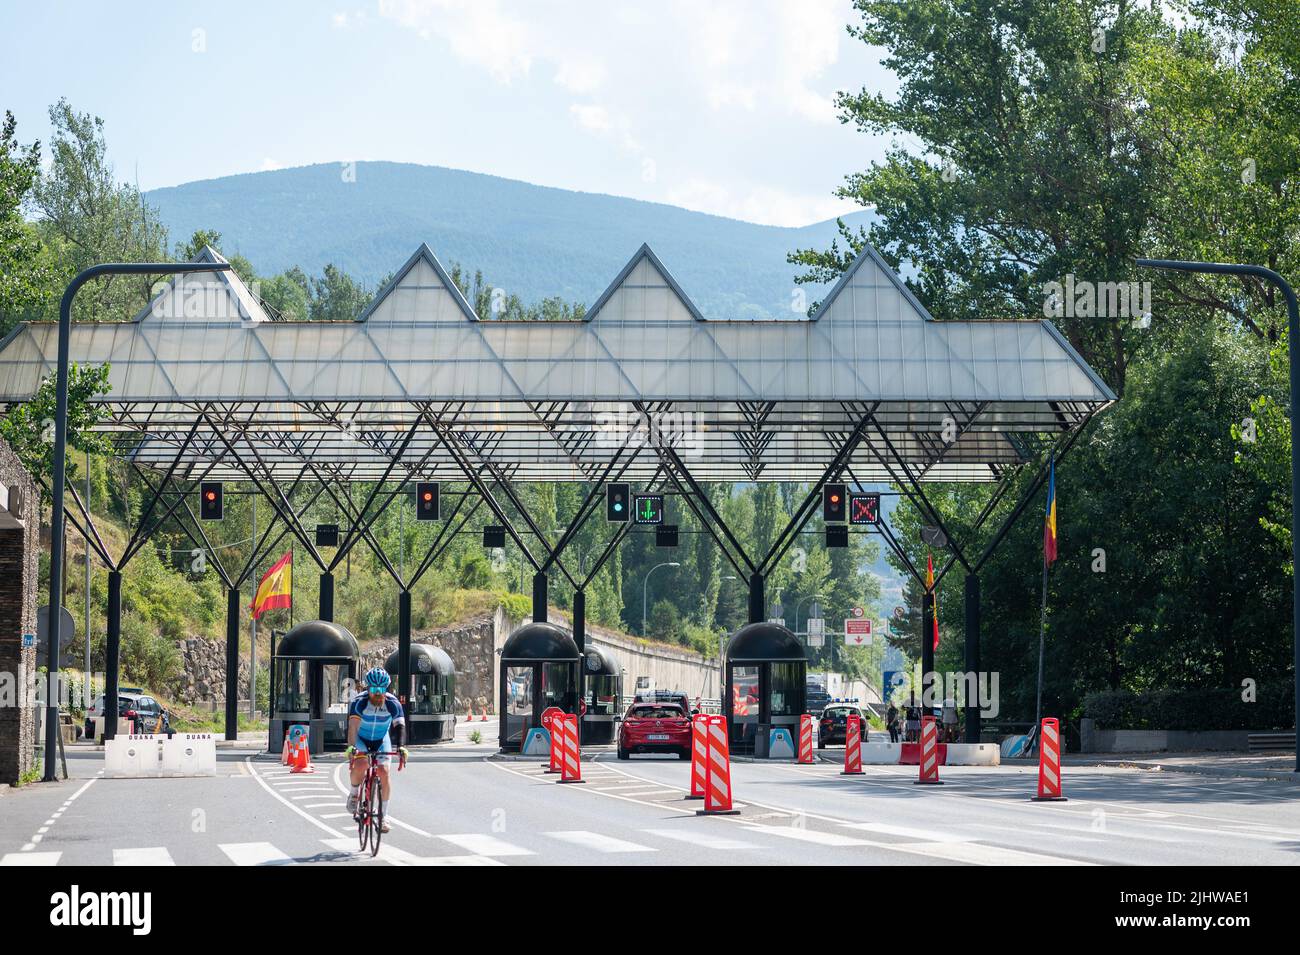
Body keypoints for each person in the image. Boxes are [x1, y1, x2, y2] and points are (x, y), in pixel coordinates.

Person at [346, 667, 408, 832]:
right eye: (374, 689)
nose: (378, 693)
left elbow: (400, 726)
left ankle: (384, 816)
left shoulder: (392, 703)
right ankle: (354, 793)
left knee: (384, 771)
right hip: (361, 738)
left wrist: (401, 747)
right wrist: (352, 747)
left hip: (381, 739)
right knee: (361, 765)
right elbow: (353, 727)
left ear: (386, 689)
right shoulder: (360, 701)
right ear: (368, 688)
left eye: (381, 689)